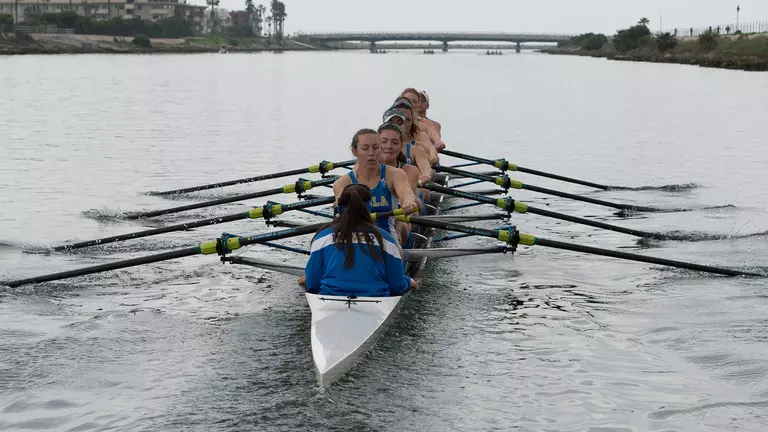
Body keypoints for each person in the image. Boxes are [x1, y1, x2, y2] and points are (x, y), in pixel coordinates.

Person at [299, 183, 419, 297]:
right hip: (375, 298)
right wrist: (408, 282)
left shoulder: (322, 237)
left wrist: (306, 280)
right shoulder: (384, 238)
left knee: (304, 280)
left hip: (331, 297)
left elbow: (313, 284)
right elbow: (396, 286)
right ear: (370, 208)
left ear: (339, 208)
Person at [332, 128, 418, 244]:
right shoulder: (342, 183)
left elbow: (405, 191)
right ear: (354, 151)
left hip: (387, 234)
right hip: (355, 236)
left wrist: (408, 202)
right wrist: (338, 202)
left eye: (376, 148)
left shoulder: (394, 174)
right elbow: (339, 199)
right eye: (365, 148)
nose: (371, 153)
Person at [389, 99, 438, 178]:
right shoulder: (375, 145)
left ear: (412, 122)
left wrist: (426, 175)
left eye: (407, 120)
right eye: (398, 120)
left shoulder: (418, 149)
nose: (403, 124)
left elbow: (426, 168)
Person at [400, 88, 445, 152]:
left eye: (423, 101)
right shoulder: (395, 117)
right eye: (418, 101)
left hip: (428, 155)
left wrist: (437, 141)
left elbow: (431, 130)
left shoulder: (432, 124)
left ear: (428, 105)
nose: (420, 103)